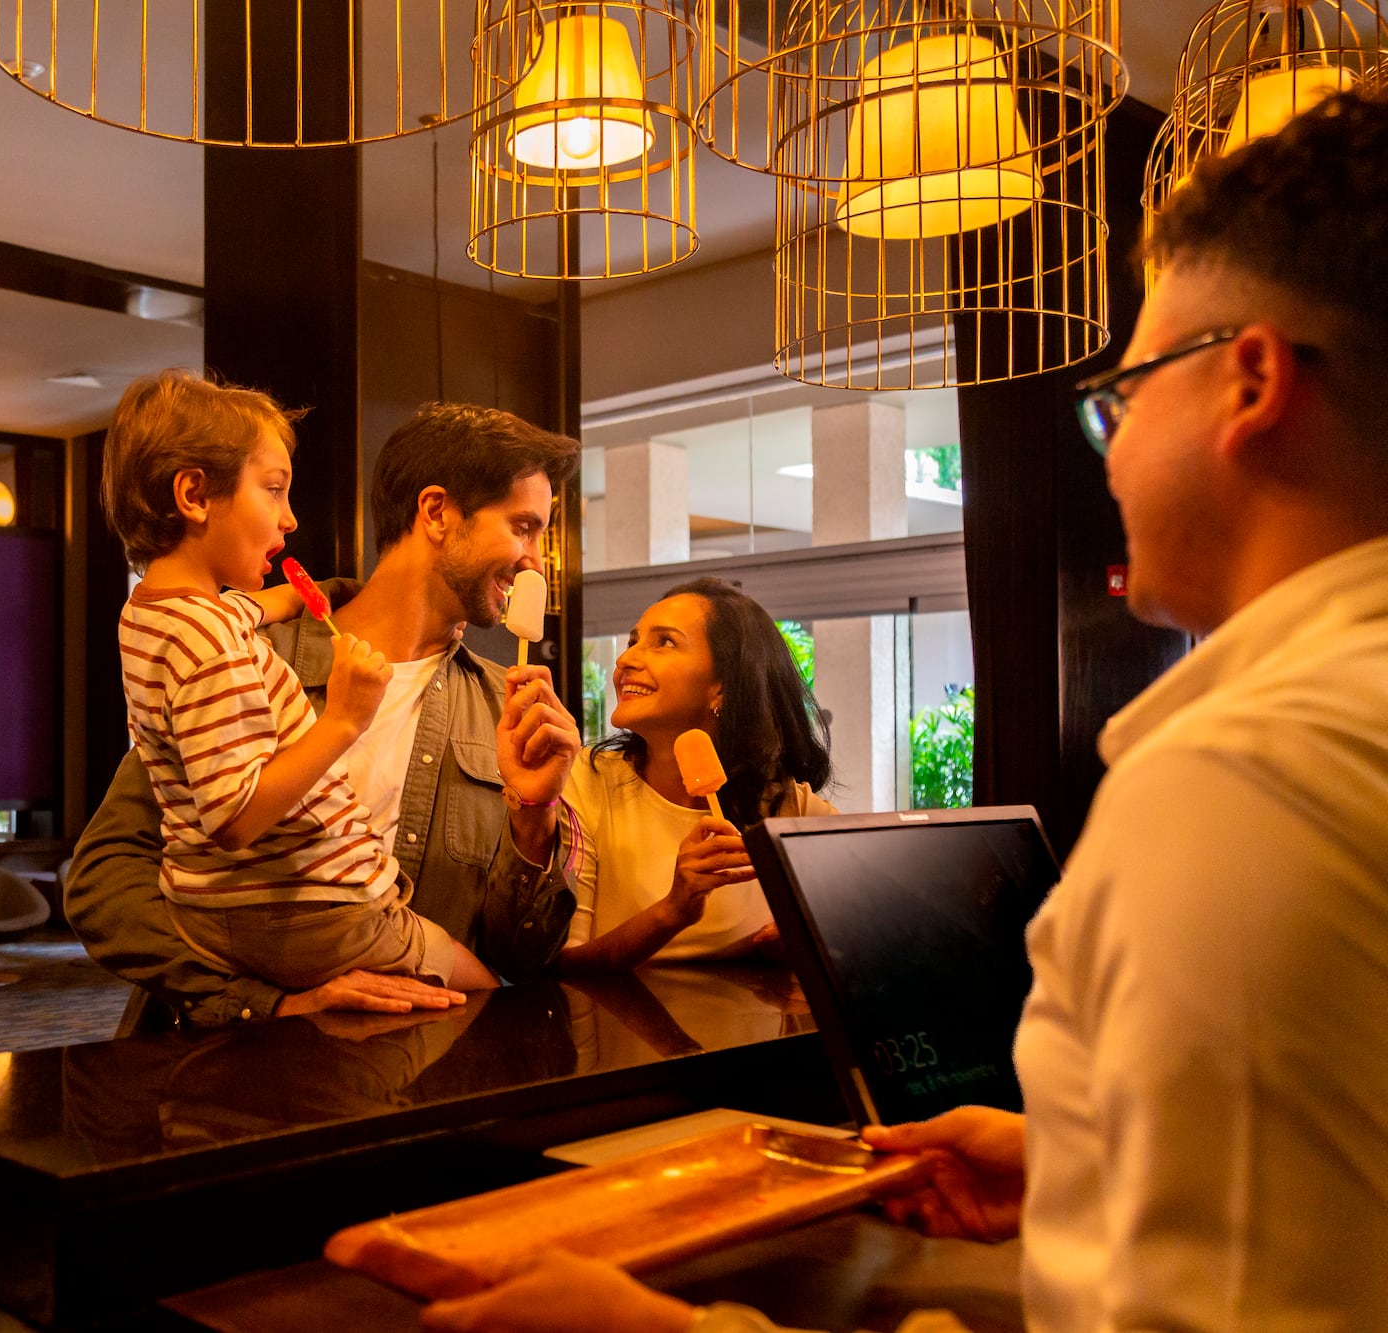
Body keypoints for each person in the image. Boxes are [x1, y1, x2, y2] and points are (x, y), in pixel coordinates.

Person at [418, 89, 1388, 1333]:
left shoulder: (1249, 782)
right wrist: (1072, 1169)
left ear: (1249, 382)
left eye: (1131, 389)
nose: (1108, 441)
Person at [67, 400, 585, 1025]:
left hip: (413, 1083)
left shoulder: (506, 712)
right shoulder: (244, 657)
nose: (537, 559)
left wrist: (535, 817)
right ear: (437, 512)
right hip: (221, 1076)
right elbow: (103, 880)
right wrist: (270, 1002)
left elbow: (517, 963)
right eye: (525, 527)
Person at [560, 581, 835, 972]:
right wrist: (674, 910)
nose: (625, 660)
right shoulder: (584, 782)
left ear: (722, 686)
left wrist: (800, 942)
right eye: (633, 641)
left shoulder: (791, 808)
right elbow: (565, 968)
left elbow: (866, 925)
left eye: (664, 643)